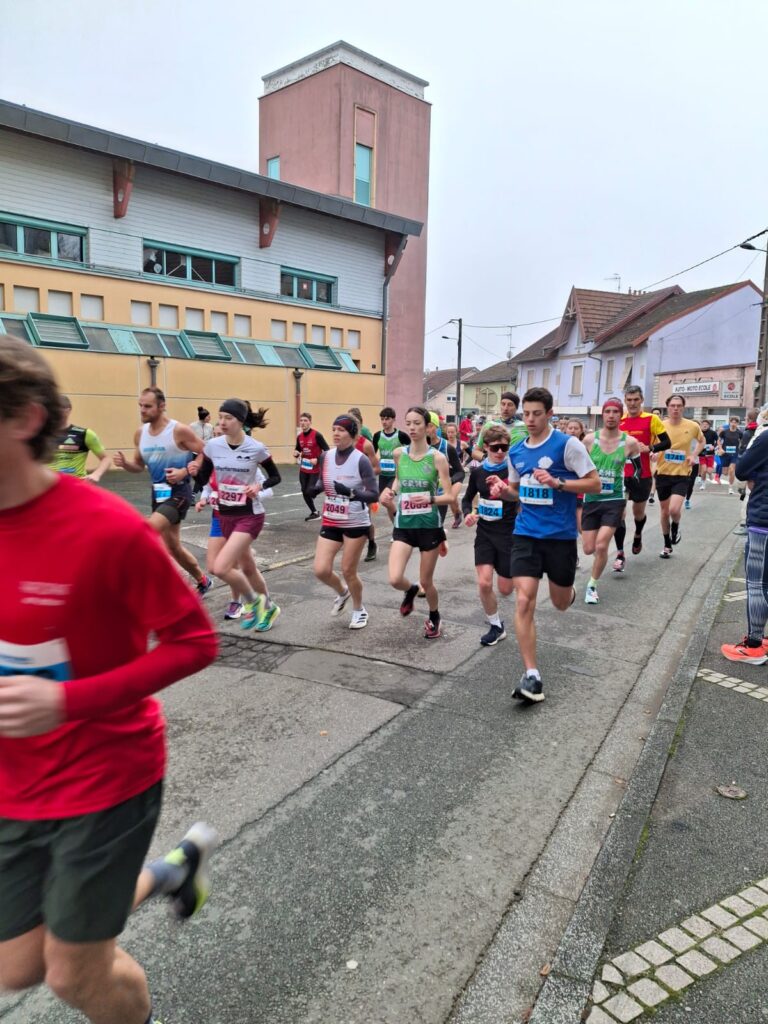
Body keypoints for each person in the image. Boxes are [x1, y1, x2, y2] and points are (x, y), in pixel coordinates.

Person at [0, 337, 219, 1024]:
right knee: (16, 967)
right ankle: (169, 872)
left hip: (104, 776)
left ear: (25, 419)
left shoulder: (105, 531)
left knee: (72, 973)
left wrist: (67, 700)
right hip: (11, 783)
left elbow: (194, 641)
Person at [488, 387, 600, 702]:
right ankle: (532, 675)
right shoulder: (517, 451)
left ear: (550, 414)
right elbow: (514, 490)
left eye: (538, 413)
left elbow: (595, 483)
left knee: (560, 603)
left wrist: (559, 483)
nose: (531, 419)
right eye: (527, 413)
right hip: (525, 534)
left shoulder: (568, 445)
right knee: (524, 601)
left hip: (560, 538)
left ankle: (570, 592)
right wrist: (501, 489)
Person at [192, 400, 281, 631]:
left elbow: (275, 477)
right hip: (224, 516)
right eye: (220, 416)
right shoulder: (212, 446)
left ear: (240, 421)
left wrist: (258, 488)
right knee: (246, 568)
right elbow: (203, 480)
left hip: (249, 515)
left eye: (228, 418)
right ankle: (269, 606)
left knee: (221, 568)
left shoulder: (256, 448)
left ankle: (252, 604)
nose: (222, 422)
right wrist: (194, 473)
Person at [114, 388, 211, 596]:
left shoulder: (178, 430)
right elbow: (138, 466)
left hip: (179, 491)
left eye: (147, 406)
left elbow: (205, 450)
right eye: (140, 405)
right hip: (158, 493)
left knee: (147, 531)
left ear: (161, 406)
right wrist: (125, 464)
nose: (142, 410)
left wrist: (185, 469)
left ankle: (166, 587)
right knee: (173, 547)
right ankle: (203, 580)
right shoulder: (140, 434)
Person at [380, 406, 454, 639]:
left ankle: (434, 615)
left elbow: (450, 496)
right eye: (408, 423)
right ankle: (410, 590)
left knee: (427, 581)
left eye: (417, 423)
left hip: (429, 526)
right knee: (394, 578)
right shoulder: (399, 454)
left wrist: (431, 498)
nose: (412, 428)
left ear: (428, 427)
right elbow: (399, 481)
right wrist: (390, 492)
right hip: (404, 525)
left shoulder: (437, 458)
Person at [312, 414, 379, 630]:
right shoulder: (326, 456)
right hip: (331, 519)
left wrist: (351, 493)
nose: (335, 434)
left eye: (340, 430)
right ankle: (342, 592)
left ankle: (359, 609)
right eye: (333, 429)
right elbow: (323, 480)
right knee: (321, 569)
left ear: (351, 434)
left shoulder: (361, 460)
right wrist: (316, 488)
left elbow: (373, 494)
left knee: (348, 570)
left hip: (355, 522)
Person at [580, 399, 641, 605]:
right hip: (591, 499)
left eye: (616, 411)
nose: (611, 415)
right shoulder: (589, 440)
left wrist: (629, 493)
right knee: (588, 548)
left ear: (621, 415)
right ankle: (600, 560)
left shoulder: (629, 442)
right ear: (603, 414)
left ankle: (592, 585)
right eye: (608, 411)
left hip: (614, 499)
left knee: (601, 544)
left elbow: (638, 469)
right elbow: (576, 466)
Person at [462, 424, 517, 645]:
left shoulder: (513, 471)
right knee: (484, 584)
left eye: (505, 447)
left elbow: (521, 496)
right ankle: (495, 625)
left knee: (505, 589)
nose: (501, 451)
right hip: (484, 533)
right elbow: (467, 499)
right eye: (496, 448)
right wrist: (468, 514)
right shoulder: (478, 472)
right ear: (486, 447)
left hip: (508, 534)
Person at [721, 419, 768, 664]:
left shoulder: (765, 437)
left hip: (763, 520)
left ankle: (754, 645)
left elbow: (741, 470)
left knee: (757, 582)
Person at [613, 385, 670, 571]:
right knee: (619, 513)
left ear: (641, 400)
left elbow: (666, 442)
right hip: (619, 474)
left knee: (638, 512)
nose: (632, 403)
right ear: (625, 401)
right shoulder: (618, 419)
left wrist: (651, 448)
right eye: (629, 400)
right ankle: (620, 553)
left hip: (642, 474)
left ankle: (638, 533)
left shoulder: (651, 419)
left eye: (636, 399)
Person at [655, 394, 705, 558]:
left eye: (679, 405)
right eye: (673, 405)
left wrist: (694, 455)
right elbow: (654, 445)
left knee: (674, 509)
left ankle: (675, 526)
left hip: (682, 474)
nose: (675, 408)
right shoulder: (660, 426)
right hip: (663, 473)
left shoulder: (692, 426)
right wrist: (654, 454)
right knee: (664, 512)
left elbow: (701, 441)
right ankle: (667, 544)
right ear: (667, 407)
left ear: (683, 407)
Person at [51, 395, 112, 482]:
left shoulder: (85, 434)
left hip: (75, 485)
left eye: (58, 409)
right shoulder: (41, 434)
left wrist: (96, 474)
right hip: (47, 486)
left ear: (68, 410)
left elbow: (106, 459)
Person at [426, 411, 465, 529]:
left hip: (441, 492)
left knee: (436, 527)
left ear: (436, 427)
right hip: (423, 492)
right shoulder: (414, 448)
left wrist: (449, 481)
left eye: (430, 425)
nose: (427, 429)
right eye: (424, 425)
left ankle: (457, 513)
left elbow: (460, 472)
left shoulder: (447, 447)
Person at [293, 412, 329, 521]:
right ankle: (314, 512)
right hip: (304, 469)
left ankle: (324, 486)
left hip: (315, 469)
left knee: (310, 491)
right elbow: (298, 448)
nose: (303, 423)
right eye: (301, 421)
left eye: (305, 421)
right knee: (304, 491)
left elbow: (327, 451)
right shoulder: (299, 437)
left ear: (310, 422)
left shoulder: (317, 435)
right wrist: (296, 452)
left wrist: (317, 460)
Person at [472, 392, 526, 459]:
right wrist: (487, 460)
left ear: (516, 408)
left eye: (510, 405)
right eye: (503, 404)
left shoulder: (525, 427)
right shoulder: (489, 425)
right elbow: (475, 452)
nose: (505, 408)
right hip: (494, 468)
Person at [734, 407, 761, 536]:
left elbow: (743, 455)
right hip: (759, 471)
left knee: (747, 496)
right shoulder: (758, 431)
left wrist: (741, 478)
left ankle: (745, 524)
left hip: (751, 471)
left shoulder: (749, 432)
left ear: (749, 419)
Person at [372, 407, 410, 496]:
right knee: (382, 498)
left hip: (395, 475)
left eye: (387, 419)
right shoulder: (377, 435)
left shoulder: (401, 435)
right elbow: (372, 454)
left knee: (387, 496)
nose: (384, 422)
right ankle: (394, 510)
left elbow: (412, 451)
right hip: (382, 474)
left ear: (393, 420)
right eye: (382, 419)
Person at [717, 416, 743, 495]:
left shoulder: (740, 433)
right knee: (725, 472)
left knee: (732, 470)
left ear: (737, 423)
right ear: (730, 422)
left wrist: (740, 449)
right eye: (732, 422)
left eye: (735, 422)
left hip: (734, 454)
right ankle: (724, 475)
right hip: (725, 454)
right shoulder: (724, 432)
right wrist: (720, 449)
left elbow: (742, 442)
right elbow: (718, 440)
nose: (733, 424)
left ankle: (730, 487)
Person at [698, 419, 718, 489]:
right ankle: (703, 484)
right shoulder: (699, 432)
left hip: (710, 454)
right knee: (703, 470)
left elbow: (718, 441)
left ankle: (710, 474)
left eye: (706, 424)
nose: (705, 425)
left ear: (709, 426)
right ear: (701, 425)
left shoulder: (713, 433)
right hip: (701, 454)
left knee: (709, 471)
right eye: (703, 424)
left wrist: (714, 446)